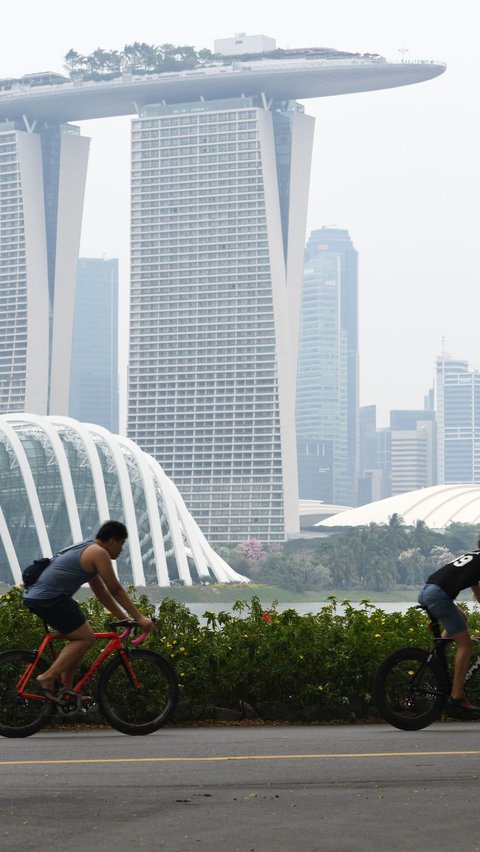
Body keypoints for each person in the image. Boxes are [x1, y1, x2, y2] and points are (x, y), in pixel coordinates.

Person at [22, 520, 156, 702]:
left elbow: (101, 592)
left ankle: (67, 692)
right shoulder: (99, 553)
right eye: (122, 544)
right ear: (111, 541)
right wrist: (140, 618)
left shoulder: (88, 548)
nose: (122, 550)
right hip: (49, 597)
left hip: (42, 596)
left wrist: (124, 619)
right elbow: (115, 589)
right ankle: (48, 677)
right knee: (86, 638)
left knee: (80, 640)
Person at [418, 545, 480, 719]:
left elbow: (478, 594)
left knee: (463, 618)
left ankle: (439, 654)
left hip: (427, 591)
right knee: (465, 644)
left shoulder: (474, 557)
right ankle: (457, 697)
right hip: (438, 595)